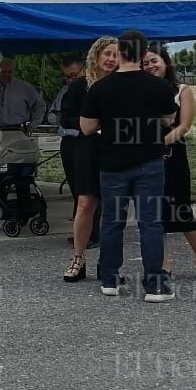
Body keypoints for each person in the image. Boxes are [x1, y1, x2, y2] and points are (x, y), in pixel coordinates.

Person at [80, 30, 177, 302]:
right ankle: (155, 285)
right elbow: (169, 119)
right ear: (143, 53)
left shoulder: (100, 88)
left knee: (112, 221)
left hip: (112, 164)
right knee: (150, 223)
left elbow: (86, 127)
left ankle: (109, 279)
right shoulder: (159, 86)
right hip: (150, 162)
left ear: (120, 51)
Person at [142, 45, 196, 281]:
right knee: (156, 213)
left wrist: (162, 143)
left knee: (183, 211)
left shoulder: (182, 90)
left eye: (154, 61)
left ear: (165, 62)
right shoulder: (142, 91)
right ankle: (165, 264)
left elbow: (184, 126)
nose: (150, 66)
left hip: (174, 156)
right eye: (145, 63)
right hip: (148, 158)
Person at [62, 37, 116, 282]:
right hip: (87, 147)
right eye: (108, 54)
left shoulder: (122, 85)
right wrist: (89, 126)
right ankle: (78, 257)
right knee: (85, 204)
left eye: (116, 55)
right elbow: (66, 118)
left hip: (116, 150)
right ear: (96, 55)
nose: (112, 59)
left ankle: (109, 263)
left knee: (114, 208)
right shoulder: (81, 85)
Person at [0, 59, 45, 219]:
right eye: (4, 72)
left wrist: (33, 125)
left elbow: (40, 105)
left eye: (10, 72)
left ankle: (24, 209)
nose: (7, 75)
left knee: (21, 172)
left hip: (18, 131)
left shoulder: (25, 88)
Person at [50, 57, 85, 228]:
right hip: (67, 140)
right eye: (66, 76)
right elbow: (52, 115)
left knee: (84, 185)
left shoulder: (89, 88)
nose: (69, 80)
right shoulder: (65, 91)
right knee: (73, 183)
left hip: (82, 139)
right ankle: (79, 221)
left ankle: (88, 228)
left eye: (73, 75)